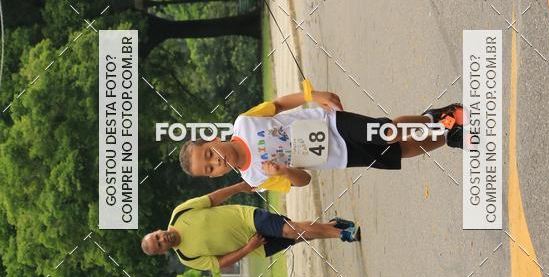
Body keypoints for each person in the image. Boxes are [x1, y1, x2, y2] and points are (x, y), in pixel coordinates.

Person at [177, 86, 464, 193]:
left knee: (386, 133)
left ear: (213, 139)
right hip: (339, 157)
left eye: (210, 154)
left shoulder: (244, 123)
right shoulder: (255, 178)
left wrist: (313, 96)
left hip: (332, 124)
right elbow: (303, 181)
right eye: (210, 169)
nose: (216, 162)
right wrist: (284, 172)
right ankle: (448, 132)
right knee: (401, 152)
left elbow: (279, 105)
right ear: (215, 176)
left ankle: (440, 118)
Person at [141, 181, 361, 274]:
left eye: (157, 236)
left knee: (290, 229)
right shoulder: (187, 258)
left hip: (247, 218)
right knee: (297, 236)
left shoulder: (180, 213)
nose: (162, 239)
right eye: (159, 244)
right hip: (255, 246)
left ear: (157, 230)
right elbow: (221, 262)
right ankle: (333, 225)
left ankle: (343, 234)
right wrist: (249, 247)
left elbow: (212, 198)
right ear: (162, 251)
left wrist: (239, 187)